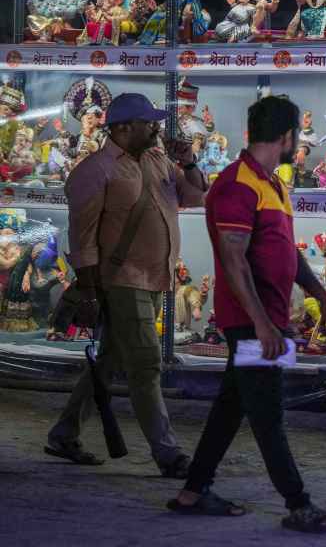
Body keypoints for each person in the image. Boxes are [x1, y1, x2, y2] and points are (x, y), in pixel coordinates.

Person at [167, 96, 326, 533]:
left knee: (234, 405)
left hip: (271, 317)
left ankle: (193, 490)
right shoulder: (236, 184)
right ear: (287, 137)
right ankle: (298, 503)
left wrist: (320, 292)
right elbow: (233, 261)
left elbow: (284, 249)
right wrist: (262, 325)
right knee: (268, 412)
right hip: (252, 320)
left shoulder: (272, 183)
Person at [45, 93, 208, 477]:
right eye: (148, 122)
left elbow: (196, 195)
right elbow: (82, 239)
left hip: (157, 277)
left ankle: (64, 433)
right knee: (146, 366)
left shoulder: (158, 159)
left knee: (111, 361)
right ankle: (167, 454)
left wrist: (189, 161)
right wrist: (87, 289)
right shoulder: (94, 171)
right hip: (123, 280)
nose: (156, 127)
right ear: (123, 128)